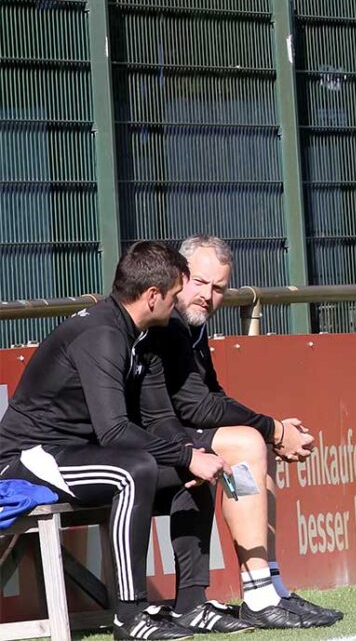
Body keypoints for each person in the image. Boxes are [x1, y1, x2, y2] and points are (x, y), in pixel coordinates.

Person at [0, 242, 237, 640]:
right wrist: (184, 455)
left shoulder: (134, 331)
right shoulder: (102, 334)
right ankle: (130, 616)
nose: (180, 302)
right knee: (135, 469)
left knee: (190, 468)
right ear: (152, 296)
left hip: (74, 453)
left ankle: (192, 605)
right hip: (28, 458)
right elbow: (114, 432)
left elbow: (152, 421)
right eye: (176, 294)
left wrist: (189, 456)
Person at [145, 235, 342, 628]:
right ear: (178, 278)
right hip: (134, 443)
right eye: (200, 283)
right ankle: (256, 595)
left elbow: (210, 395)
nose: (208, 295)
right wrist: (272, 428)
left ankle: (272, 586)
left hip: (172, 437)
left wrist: (273, 432)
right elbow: (195, 405)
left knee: (254, 450)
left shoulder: (193, 327)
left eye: (218, 288)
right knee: (249, 443)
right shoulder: (167, 324)